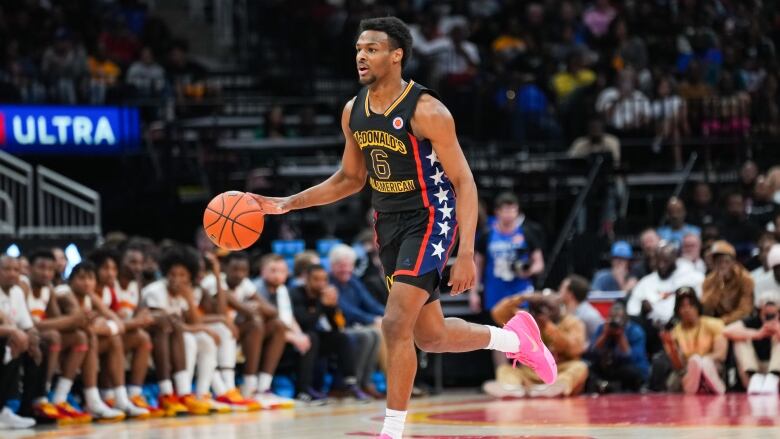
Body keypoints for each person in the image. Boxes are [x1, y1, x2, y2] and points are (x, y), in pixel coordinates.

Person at [252, 17, 556, 439]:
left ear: (396, 56)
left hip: (431, 217)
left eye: (372, 49)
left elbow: (465, 181)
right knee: (429, 336)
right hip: (389, 224)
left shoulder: (427, 110)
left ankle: (392, 432)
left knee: (394, 324)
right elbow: (349, 179)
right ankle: (517, 342)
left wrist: (465, 251)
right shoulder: (353, 111)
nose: (361, 55)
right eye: (359, 48)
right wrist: (288, 202)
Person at [200, 252, 291, 409]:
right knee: (254, 323)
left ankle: (262, 388)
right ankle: (248, 387)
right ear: (224, 268)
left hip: (234, 333)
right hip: (213, 333)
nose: (239, 274)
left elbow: (273, 312)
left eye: (244, 270)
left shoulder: (246, 284)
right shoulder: (212, 281)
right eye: (235, 269)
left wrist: (255, 307)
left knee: (278, 326)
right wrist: (245, 307)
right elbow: (221, 312)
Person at [55, 262, 138, 420]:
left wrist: (102, 325)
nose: (86, 282)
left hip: (77, 344)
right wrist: (101, 325)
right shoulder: (64, 293)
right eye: (81, 278)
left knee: (113, 339)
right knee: (87, 338)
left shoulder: (90, 295)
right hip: (61, 344)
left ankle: (120, 399)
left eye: (90, 278)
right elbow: (82, 322)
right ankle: (64, 399)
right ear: (71, 280)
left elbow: (118, 323)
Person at [142, 246, 215, 416]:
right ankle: (169, 393)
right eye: (172, 274)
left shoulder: (185, 293)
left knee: (203, 339)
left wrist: (189, 299)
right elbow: (163, 323)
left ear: (191, 276)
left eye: (182, 275)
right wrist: (200, 327)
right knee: (185, 336)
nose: (176, 279)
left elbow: (192, 322)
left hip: (173, 335)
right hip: (153, 335)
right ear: (165, 273)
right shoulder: (155, 291)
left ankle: (196, 394)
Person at [89, 248, 161, 417]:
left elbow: (116, 323)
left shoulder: (109, 291)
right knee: (115, 339)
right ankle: (106, 397)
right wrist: (134, 322)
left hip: (102, 338)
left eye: (113, 269)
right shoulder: (91, 291)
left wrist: (133, 321)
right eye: (106, 269)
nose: (111, 273)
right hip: (87, 341)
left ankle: (130, 395)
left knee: (140, 338)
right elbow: (110, 325)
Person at [483, 292, 588, 399]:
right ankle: (513, 389)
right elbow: (497, 313)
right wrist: (524, 297)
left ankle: (555, 387)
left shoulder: (572, 322)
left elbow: (575, 349)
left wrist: (548, 326)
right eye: (541, 306)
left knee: (580, 367)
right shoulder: (528, 320)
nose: (544, 310)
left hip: (558, 370)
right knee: (505, 369)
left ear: (560, 306)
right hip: (530, 372)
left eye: (548, 306)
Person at [290, 265, 368, 401]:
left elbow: (338, 327)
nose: (321, 284)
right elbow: (304, 323)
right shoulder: (296, 293)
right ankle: (303, 390)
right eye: (316, 279)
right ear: (306, 280)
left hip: (317, 341)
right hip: (297, 340)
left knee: (342, 338)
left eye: (324, 280)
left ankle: (349, 384)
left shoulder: (324, 296)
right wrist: (322, 305)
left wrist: (333, 307)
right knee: (312, 337)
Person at [328, 244, 386, 398]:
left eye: (349, 265)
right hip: (338, 327)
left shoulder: (353, 280)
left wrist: (389, 315)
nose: (345, 269)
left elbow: (370, 303)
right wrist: (372, 319)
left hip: (356, 325)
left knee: (375, 333)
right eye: (341, 266)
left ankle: (365, 382)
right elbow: (345, 309)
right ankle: (352, 384)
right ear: (332, 266)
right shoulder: (329, 283)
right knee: (369, 335)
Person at [0, 256, 50, 429]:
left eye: (16, 270)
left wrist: (33, 341)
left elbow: (28, 325)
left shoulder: (17, 293)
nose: (12, 274)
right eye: (6, 269)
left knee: (39, 346)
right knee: (13, 342)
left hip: (10, 341)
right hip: (5, 341)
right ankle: (3, 409)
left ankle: (26, 408)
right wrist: (14, 332)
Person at [474, 192, 545, 313]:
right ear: (497, 212)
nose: (510, 215)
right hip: (494, 294)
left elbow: (539, 263)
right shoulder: (487, 234)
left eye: (513, 211)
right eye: (506, 211)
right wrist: (474, 293)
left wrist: (529, 270)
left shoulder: (527, 233)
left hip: (520, 293)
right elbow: (477, 265)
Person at [652, 287, 727, 394]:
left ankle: (707, 381)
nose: (687, 310)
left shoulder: (715, 324)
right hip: (687, 371)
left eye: (691, 305)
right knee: (679, 374)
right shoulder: (674, 333)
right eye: (682, 306)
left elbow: (721, 355)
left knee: (705, 363)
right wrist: (673, 351)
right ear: (678, 311)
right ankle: (695, 384)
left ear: (697, 307)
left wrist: (700, 362)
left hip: (712, 365)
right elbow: (679, 366)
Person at [628, 242, 705, 326]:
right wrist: (644, 310)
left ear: (675, 259)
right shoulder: (646, 282)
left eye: (665, 261)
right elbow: (632, 311)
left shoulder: (690, 276)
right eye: (658, 261)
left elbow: (700, 303)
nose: (661, 265)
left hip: (683, 324)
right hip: (654, 328)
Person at [723, 292, 780, 394]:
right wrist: (758, 334)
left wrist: (777, 330)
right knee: (740, 339)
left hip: (775, 370)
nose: (769, 313)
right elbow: (726, 331)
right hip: (755, 368)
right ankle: (753, 377)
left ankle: (774, 376)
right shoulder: (753, 321)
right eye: (767, 312)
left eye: (773, 312)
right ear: (760, 309)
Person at [588, 302, 649, 393]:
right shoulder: (602, 328)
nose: (615, 322)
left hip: (629, 368)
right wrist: (604, 335)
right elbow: (592, 352)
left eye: (618, 318)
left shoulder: (635, 331)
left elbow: (632, 358)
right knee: (589, 369)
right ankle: (601, 387)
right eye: (612, 318)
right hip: (607, 367)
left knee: (630, 371)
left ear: (626, 319)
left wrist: (621, 336)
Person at [701, 241, 754, 324]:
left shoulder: (745, 279)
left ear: (733, 262)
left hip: (739, 323)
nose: (722, 265)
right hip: (715, 322)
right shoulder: (709, 281)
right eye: (718, 261)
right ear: (714, 263)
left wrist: (723, 321)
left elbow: (745, 310)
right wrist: (717, 286)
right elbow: (706, 310)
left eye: (726, 261)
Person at [560, 275, 603, 342]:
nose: (559, 290)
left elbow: (598, 341)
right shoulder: (562, 310)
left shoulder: (590, 316)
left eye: (562, 287)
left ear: (570, 294)